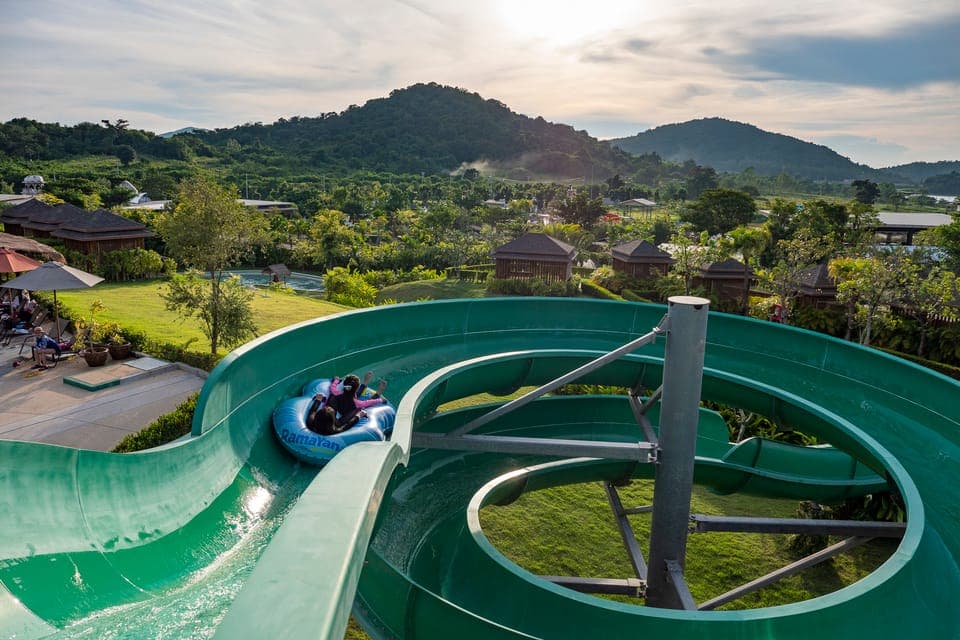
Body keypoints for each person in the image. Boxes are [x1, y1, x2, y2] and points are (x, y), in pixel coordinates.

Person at [306, 371, 388, 435]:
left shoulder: (310, 421)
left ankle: (365, 384)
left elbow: (312, 411)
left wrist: (318, 400)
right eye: (330, 410)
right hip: (348, 408)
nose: (329, 407)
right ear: (332, 420)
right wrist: (358, 416)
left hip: (344, 402)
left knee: (337, 396)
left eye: (326, 407)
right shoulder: (335, 429)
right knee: (359, 407)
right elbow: (349, 424)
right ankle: (373, 390)